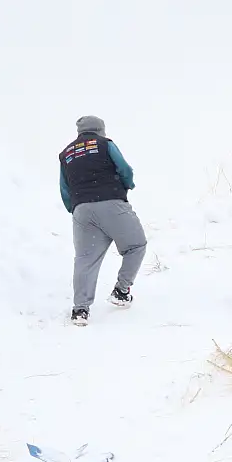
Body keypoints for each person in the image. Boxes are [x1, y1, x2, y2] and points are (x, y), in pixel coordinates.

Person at [59, 116, 147, 326]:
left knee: (85, 260)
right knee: (136, 245)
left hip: (81, 210)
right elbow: (125, 169)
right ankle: (121, 290)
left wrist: (76, 207)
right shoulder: (105, 144)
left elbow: (64, 188)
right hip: (111, 202)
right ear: (100, 130)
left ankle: (80, 310)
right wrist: (126, 186)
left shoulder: (66, 154)